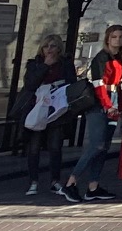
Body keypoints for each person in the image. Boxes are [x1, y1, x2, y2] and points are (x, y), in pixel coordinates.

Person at [63, 24, 122, 202]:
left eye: (121, 37)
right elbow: (99, 85)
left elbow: (118, 86)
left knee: (103, 147)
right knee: (96, 145)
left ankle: (93, 186)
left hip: (113, 103)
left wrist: (120, 108)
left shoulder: (119, 58)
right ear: (108, 38)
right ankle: (70, 183)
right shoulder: (102, 58)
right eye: (114, 37)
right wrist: (107, 105)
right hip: (99, 105)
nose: (118, 40)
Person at [15, 35, 76, 196]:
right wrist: (44, 67)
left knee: (55, 146)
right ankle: (33, 182)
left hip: (56, 110)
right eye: (46, 46)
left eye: (53, 46)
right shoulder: (34, 64)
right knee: (34, 148)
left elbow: (72, 85)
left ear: (59, 49)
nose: (49, 49)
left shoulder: (65, 65)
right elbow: (30, 85)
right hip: (37, 108)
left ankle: (55, 181)